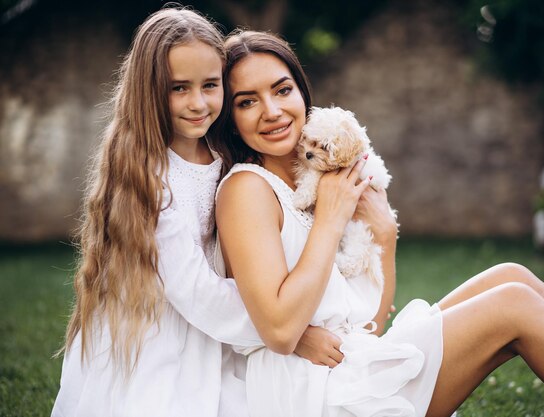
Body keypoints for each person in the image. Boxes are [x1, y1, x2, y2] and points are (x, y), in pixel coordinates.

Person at [212, 30, 544, 417]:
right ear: (230, 119)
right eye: (247, 101)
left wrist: (385, 238)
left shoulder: (324, 178)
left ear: (303, 94)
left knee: (509, 275)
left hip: (350, 361)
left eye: (282, 90)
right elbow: (281, 332)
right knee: (512, 303)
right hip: (311, 393)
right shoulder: (247, 189)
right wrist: (330, 219)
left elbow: (369, 325)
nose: (272, 111)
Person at [51, 9, 333, 417]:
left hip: (221, 328)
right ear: (148, 90)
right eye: (179, 88)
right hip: (160, 339)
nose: (198, 103)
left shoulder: (223, 155)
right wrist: (296, 332)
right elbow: (197, 293)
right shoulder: (149, 178)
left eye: (210, 85)